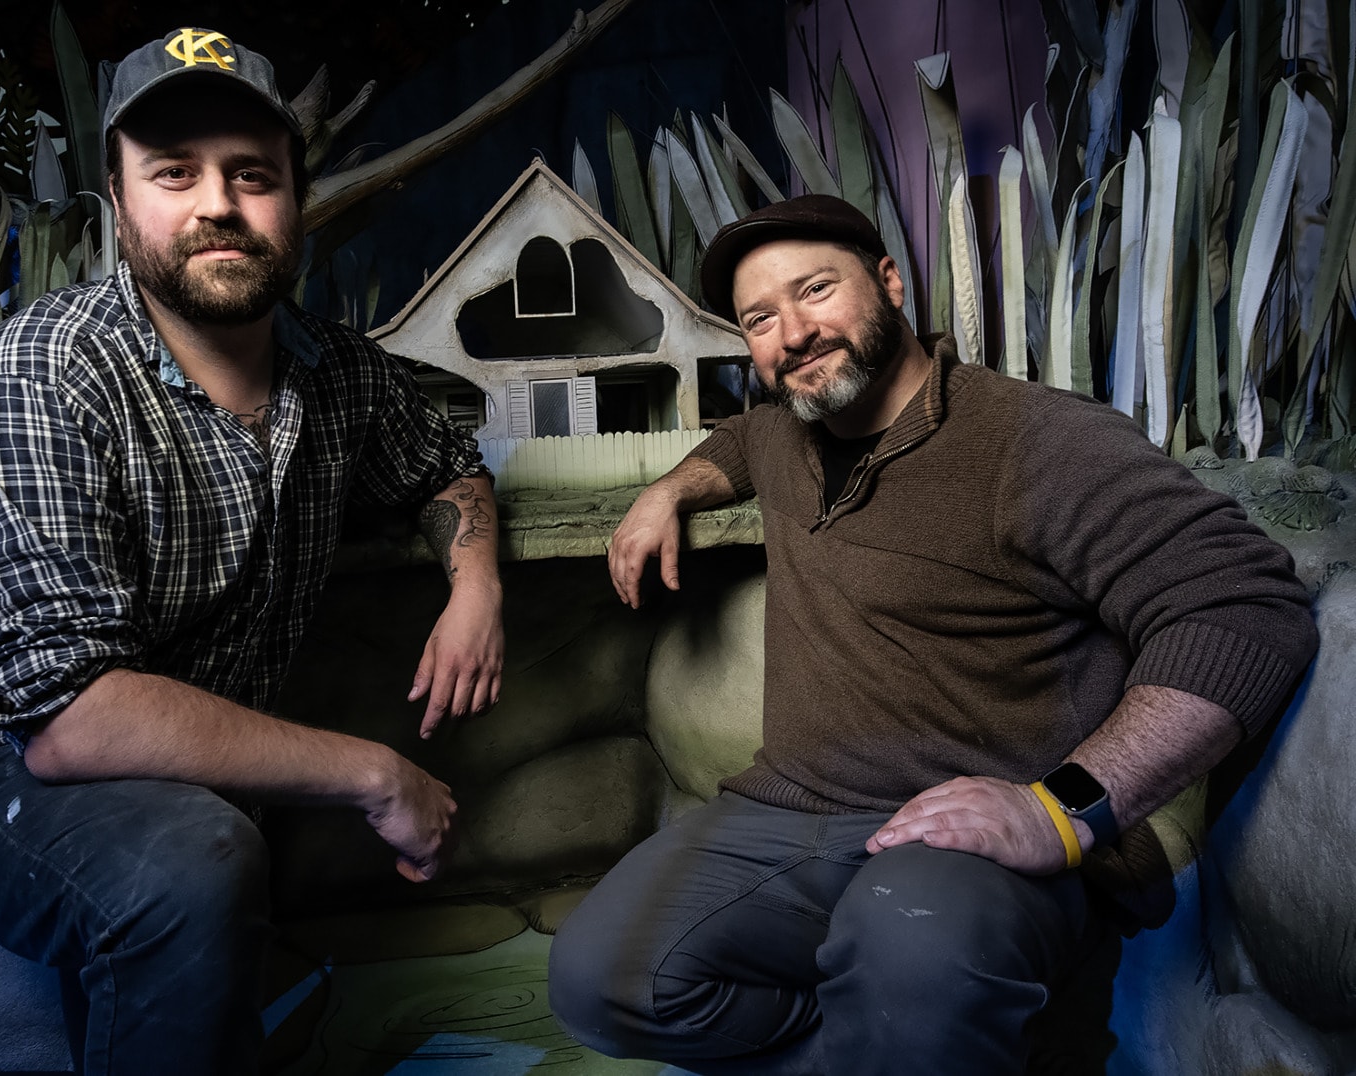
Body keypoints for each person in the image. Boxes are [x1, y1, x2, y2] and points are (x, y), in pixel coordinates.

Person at [0, 28, 503, 1076]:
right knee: (190, 864)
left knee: (209, 871)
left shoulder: (333, 368)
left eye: (253, 175)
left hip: (175, 763)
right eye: (174, 174)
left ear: (293, 199)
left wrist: (473, 584)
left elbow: (446, 464)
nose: (218, 205)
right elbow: (69, 721)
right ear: (118, 207)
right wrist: (377, 774)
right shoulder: (41, 373)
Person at [545, 194, 1318, 1074]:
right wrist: (668, 493)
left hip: (979, 823)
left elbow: (1242, 605)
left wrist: (1060, 812)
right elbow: (735, 443)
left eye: (815, 291)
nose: (792, 332)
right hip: (785, 810)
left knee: (913, 974)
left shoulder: (1035, 440)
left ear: (890, 283)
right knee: (601, 980)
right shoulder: (780, 432)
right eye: (761, 318)